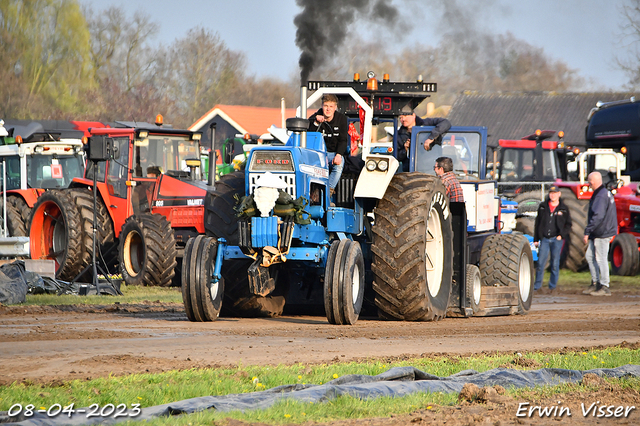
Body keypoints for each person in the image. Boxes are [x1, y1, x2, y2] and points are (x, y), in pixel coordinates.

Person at [581, 172, 617, 296]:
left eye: (589, 181)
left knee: (601, 258)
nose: (588, 184)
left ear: (592, 181)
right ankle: (596, 282)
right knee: (590, 256)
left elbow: (598, 216)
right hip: (599, 231)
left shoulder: (601, 195)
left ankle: (605, 286)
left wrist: (587, 231)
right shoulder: (603, 192)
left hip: (602, 231)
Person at [532, 185, 572, 294]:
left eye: (555, 193)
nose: (552, 195)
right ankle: (537, 287)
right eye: (551, 193)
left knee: (555, 263)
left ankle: (552, 287)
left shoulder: (563, 208)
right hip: (545, 239)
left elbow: (568, 224)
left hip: (557, 239)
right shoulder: (543, 207)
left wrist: (562, 235)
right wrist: (536, 238)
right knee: (540, 263)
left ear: (559, 194)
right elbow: (538, 223)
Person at [308, 94, 348, 193]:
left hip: (333, 154)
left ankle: (327, 192)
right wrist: (316, 123)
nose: (328, 109)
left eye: (331, 106)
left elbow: (343, 140)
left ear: (335, 107)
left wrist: (338, 155)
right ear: (322, 106)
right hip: (318, 155)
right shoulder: (314, 118)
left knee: (340, 163)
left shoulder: (342, 119)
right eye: (326, 106)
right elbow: (309, 137)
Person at [397, 108, 451, 172]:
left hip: (431, 169)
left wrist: (432, 137)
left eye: (405, 116)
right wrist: (405, 149)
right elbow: (397, 157)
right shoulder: (399, 134)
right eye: (401, 117)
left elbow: (445, 123)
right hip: (410, 171)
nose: (403, 119)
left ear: (413, 115)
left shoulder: (427, 124)